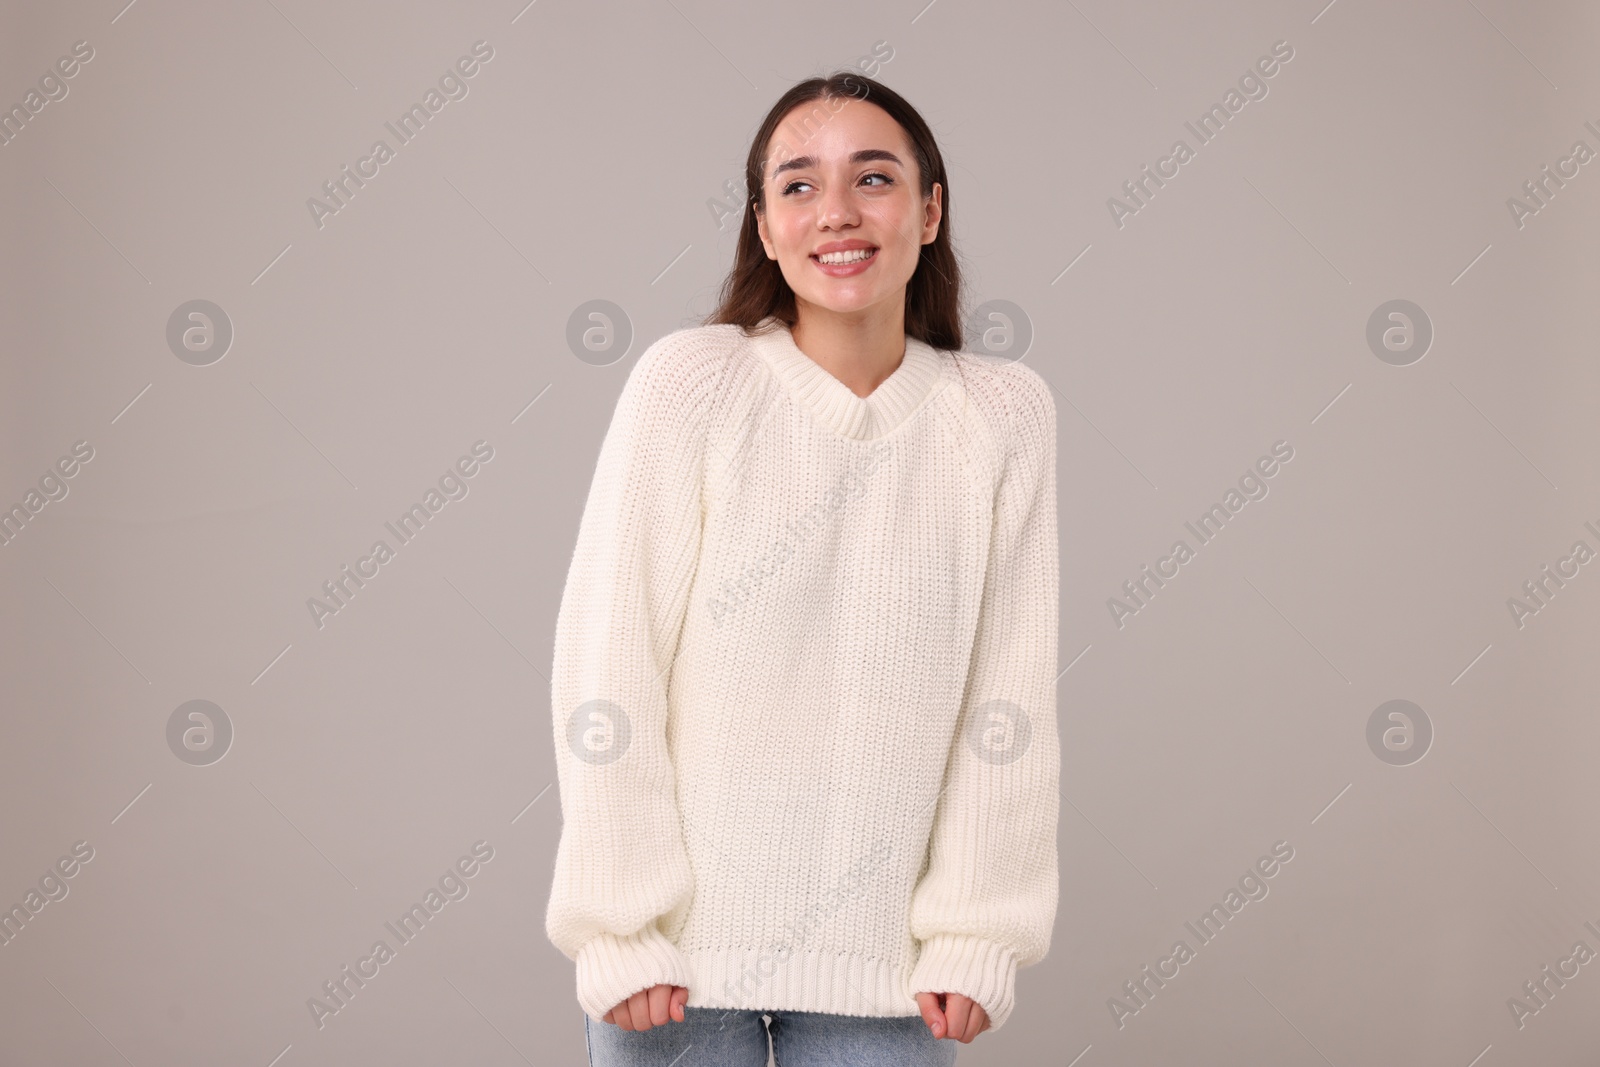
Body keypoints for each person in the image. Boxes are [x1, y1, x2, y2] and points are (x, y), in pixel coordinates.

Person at [545, 70, 1060, 1066]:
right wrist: (620, 926)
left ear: (928, 210)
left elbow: (1010, 701)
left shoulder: (1001, 417)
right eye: (797, 185)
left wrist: (976, 931)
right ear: (765, 225)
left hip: (892, 973)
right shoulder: (692, 383)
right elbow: (608, 664)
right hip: (673, 970)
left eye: (873, 178)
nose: (836, 211)